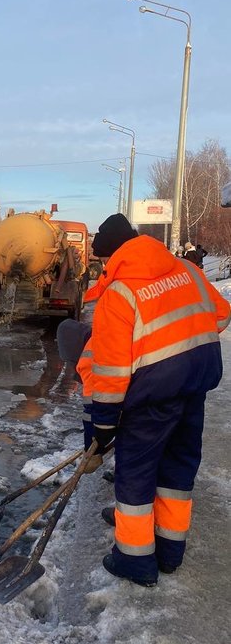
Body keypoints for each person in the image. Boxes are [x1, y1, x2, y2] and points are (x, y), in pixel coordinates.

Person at [85, 214, 230, 587]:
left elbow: (113, 372)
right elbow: (221, 315)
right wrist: (180, 344)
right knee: (177, 469)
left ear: (113, 254)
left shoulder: (119, 294)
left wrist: (103, 424)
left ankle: (135, 560)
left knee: (135, 475)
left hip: (151, 398)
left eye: (103, 260)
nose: (103, 267)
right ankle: (169, 551)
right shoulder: (188, 269)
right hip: (194, 386)